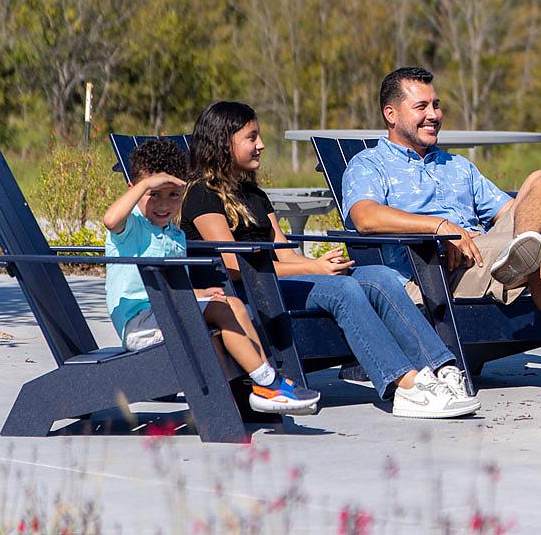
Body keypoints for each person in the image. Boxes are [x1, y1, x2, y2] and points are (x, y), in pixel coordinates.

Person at [179, 100, 480, 419]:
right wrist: (316, 268)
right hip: (237, 294)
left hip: (272, 283)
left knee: (379, 276)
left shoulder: (254, 196)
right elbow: (234, 266)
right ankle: (406, 388)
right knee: (343, 291)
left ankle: (439, 369)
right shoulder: (202, 195)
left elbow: (284, 254)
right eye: (251, 137)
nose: (261, 145)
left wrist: (325, 267)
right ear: (224, 143)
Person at [342, 66, 541, 350]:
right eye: (422, 106)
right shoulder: (369, 164)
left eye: (436, 105)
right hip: (430, 274)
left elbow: (514, 211)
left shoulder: (457, 166)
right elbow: (365, 216)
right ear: (391, 114)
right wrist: (440, 228)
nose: (434, 115)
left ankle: (520, 257)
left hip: (480, 257)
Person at [104, 138, 320, 414]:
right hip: (141, 326)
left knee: (235, 305)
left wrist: (199, 294)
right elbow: (110, 219)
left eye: (173, 195)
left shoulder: (175, 235)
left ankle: (266, 384)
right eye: (154, 194)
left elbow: (170, 287)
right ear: (134, 190)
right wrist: (147, 183)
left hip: (167, 314)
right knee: (221, 309)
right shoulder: (131, 227)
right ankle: (267, 383)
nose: (164, 204)